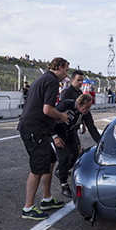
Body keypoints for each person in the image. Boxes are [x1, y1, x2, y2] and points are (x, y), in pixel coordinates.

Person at [17, 57, 70, 220]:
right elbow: (48, 109)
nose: (66, 75)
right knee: (37, 168)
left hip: (36, 128)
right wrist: (60, 115)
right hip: (35, 130)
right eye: (67, 70)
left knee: (50, 160)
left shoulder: (43, 78)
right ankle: (28, 208)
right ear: (60, 67)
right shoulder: (52, 81)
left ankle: (46, 199)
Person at [54, 94, 100, 197]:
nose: (88, 110)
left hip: (70, 133)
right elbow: (48, 119)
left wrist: (101, 143)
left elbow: (92, 128)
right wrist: (54, 136)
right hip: (58, 133)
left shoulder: (86, 113)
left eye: (89, 107)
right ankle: (64, 185)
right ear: (79, 104)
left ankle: (61, 170)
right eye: (87, 107)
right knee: (64, 157)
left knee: (75, 157)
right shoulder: (65, 105)